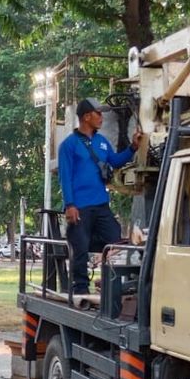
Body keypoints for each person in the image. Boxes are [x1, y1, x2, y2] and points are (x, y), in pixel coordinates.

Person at [58, 98, 143, 295]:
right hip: (79, 206)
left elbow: (114, 161)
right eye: (98, 113)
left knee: (116, 241)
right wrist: (69, 205)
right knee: (79, 248)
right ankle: (80, 289)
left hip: (101, 204)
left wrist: (132, 148)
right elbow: (65, 177)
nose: (102, 117)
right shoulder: (69, 145)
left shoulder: (102, 141)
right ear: (87, 117)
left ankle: (111, 282)